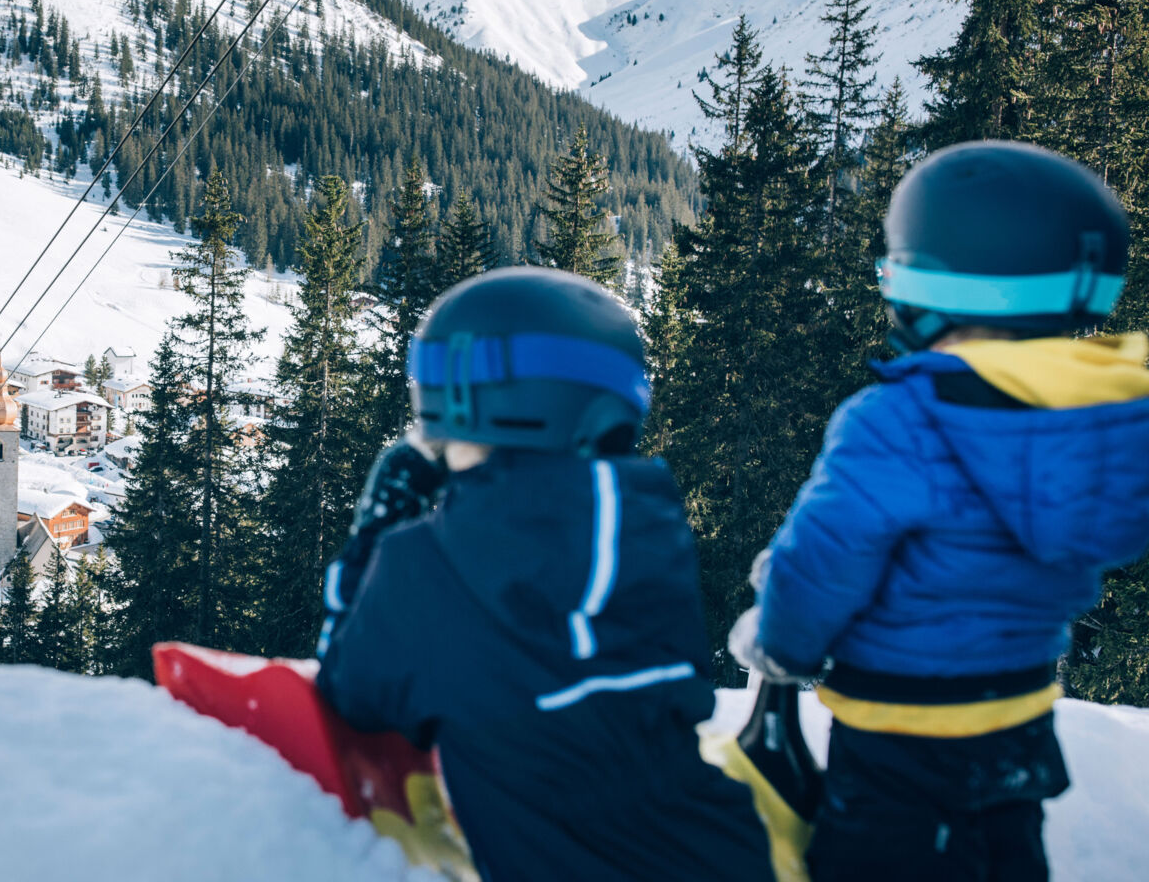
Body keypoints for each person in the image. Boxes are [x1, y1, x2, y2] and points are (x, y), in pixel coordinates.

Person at [731, 141, 1149, 880]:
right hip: (1018, 708)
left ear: (926, 282)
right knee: (1005, 853)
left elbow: (824, 563)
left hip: (900, 726)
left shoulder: (898, 419)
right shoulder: (1110, 419)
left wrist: (779, 646)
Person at [316, 266, 774, 882]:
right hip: (725, 854)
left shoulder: (424, 564)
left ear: (464, 400)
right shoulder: (648, 531)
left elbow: (350, 690)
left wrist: (378, 524)